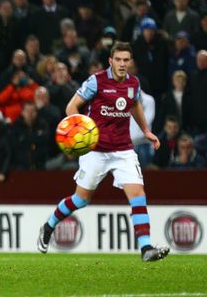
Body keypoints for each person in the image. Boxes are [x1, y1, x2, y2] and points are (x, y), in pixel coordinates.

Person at [37, 42, 170, 262]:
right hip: (95, 150)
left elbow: (134, 104)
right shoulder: (96, 81)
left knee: (138, 194)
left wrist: (146, 130)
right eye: (118, 60)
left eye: (126, 60)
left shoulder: (133, 83)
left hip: (123, 149)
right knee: (81, 199)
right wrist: (78, 136)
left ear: (130, 62)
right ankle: (48, 226)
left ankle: (146, 248)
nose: (122, 64)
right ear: (111, 61)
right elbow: (72, 108)